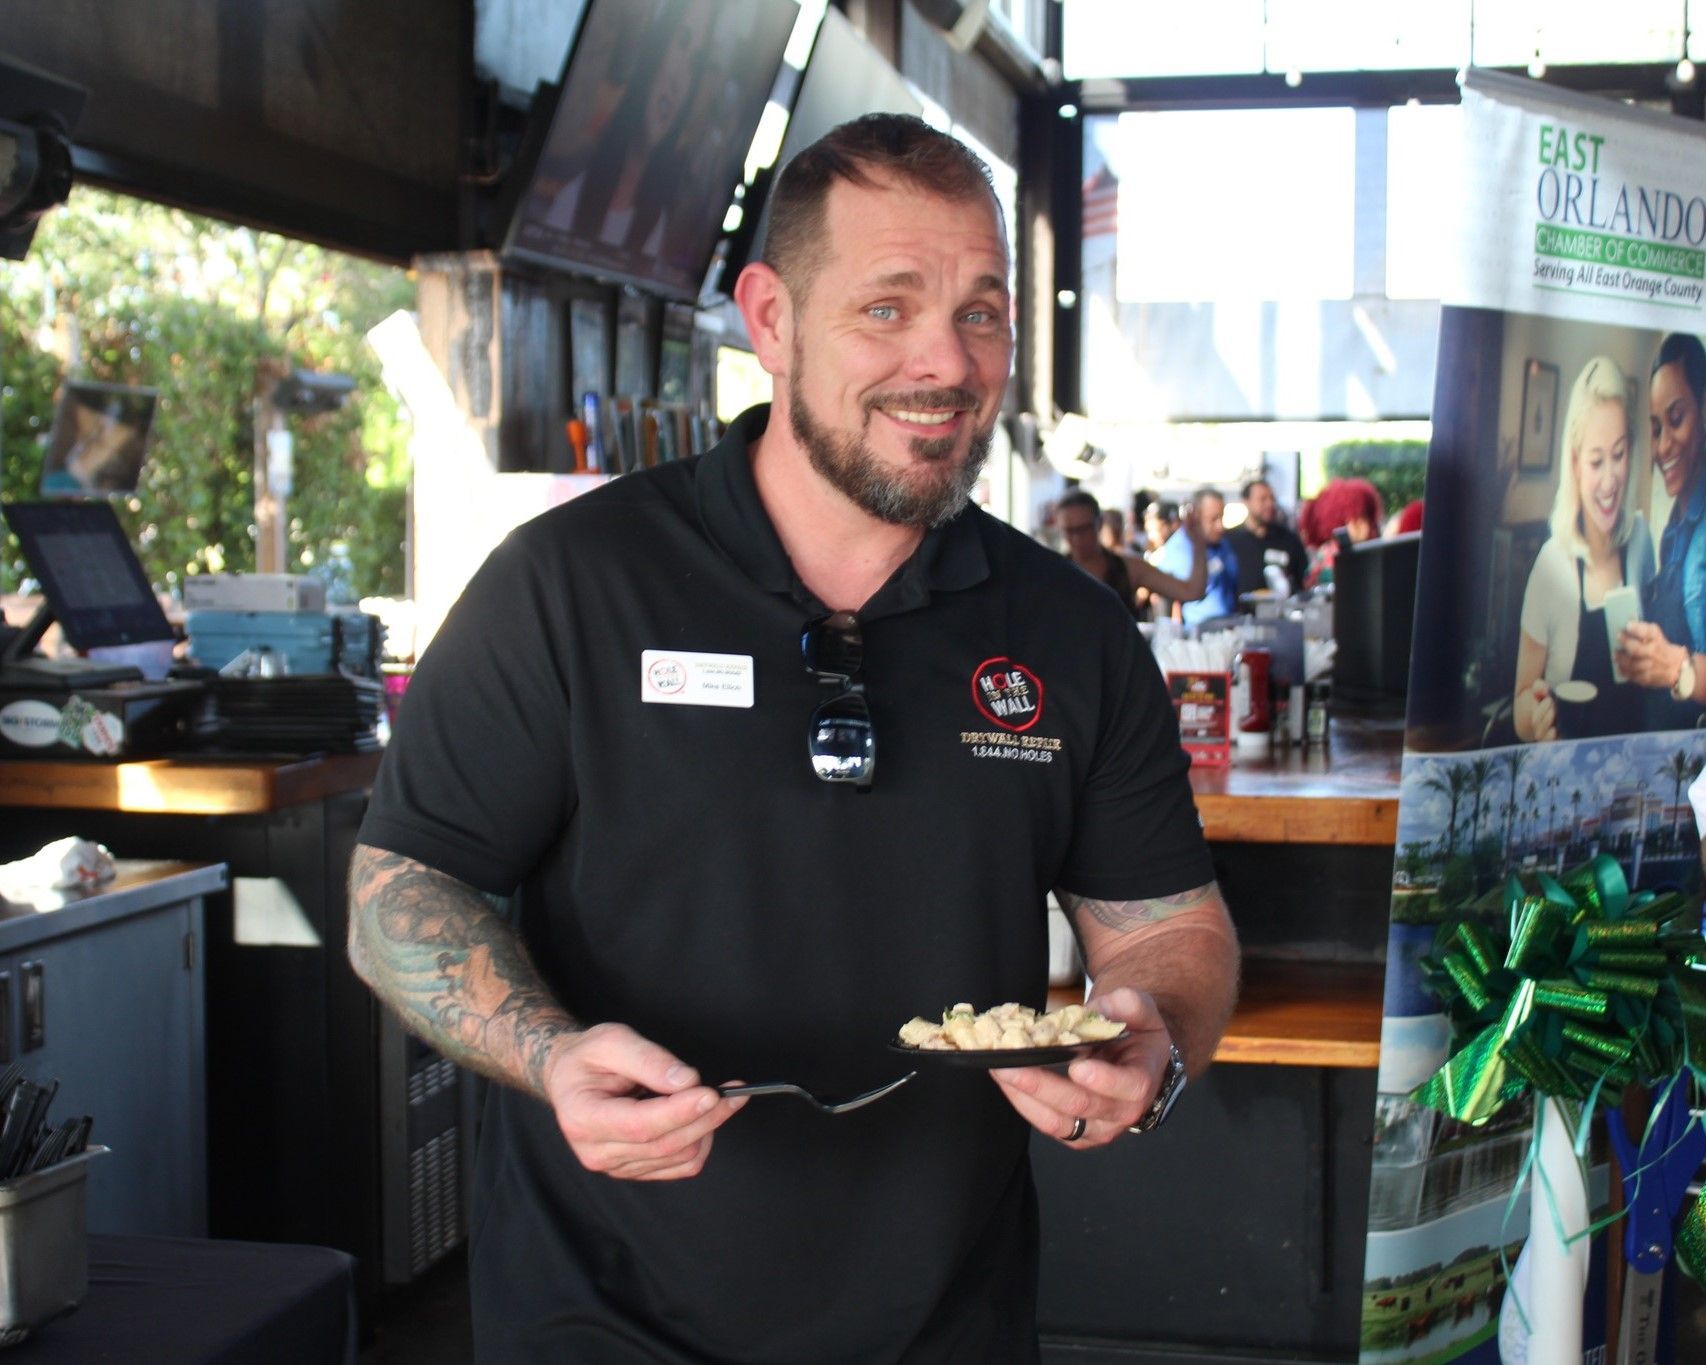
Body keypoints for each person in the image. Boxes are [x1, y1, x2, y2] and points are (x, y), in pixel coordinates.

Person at [347, 114, 1240, 1364]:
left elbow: (1168, 927)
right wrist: (548, 1056)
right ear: (768, 320)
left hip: (945, 1322)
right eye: (887, 307)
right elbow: (402, 885)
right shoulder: (570, 585)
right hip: (603, 1314)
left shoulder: (1071, 633)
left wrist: (1155, 1037)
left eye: (980, 314)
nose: (945, 359)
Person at [1512, 356, 1654, 742]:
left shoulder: (1640, 540)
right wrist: (1534, 717)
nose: (1610, 480)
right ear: (1575, 464)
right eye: (1596, 461)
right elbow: (1522, 698)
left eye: (1619, 455)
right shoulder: (1551, 565)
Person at [1616, 333, 1706, 728]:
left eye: (1676, 419)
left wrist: (1675, 667)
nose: (1664, 445)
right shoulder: (1671, 531)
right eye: (1655, 428)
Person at [1057, 488, 1207, 620]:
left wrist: (1198, 545)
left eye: (1084, 529)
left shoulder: (1127, 567)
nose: (1077, 538)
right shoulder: (1055, 571)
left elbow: (1191, 591)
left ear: (1099, 524)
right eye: (1069, 531)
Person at [1154, 487, 1238, 626]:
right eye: (1213, 519)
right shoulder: (1179, 548)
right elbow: (1166, 597)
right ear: (1196, 517)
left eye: (1221, 517)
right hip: (1198, 631)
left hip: (1230, 625)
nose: (1220, 526)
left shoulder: (1223, 544)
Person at [1223, 477, 1308, 599]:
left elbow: (1303, 578)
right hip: (1240, 613)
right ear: (1246, 502)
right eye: (1262, 499)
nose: (1269, 504)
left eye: (1272, 499)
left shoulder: (1288, 539)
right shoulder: (1230, 541)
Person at [1298, 478, 1384, 587]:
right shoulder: (1330, 554)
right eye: (1355, 518)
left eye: (1365, 517)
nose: (1363, 525)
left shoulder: (1369, 552)